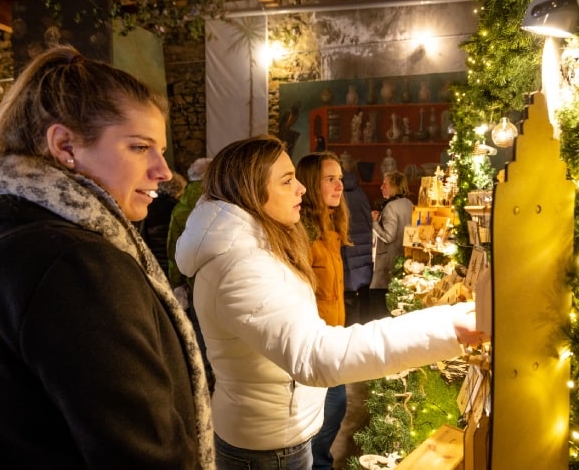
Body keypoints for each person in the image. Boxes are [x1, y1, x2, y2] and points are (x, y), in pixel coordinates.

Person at [174, 135, 487, 470]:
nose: (301, 189)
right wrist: (447, 326)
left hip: (278, 433)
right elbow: (316, 355)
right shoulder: (241, 266)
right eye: (287, 180)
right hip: (268, 448)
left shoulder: (259, 245)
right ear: (251, 191)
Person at [0, 46, 213, 469]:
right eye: (140, 148)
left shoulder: (2, 225)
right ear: (65, 145)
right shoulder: (75, 264)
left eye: (159, 149)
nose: (162, 170)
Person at [296, 152, 349, 469]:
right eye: (330, 178)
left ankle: (319, 462)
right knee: (331, 409)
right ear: (310, 185)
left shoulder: (331, 228)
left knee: (335, 408)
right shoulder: (303, 234)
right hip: (315, 345)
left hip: (335, 338)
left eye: (340, 177)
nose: (339, 185)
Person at [166, 156, 215, 392]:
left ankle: (204, 378)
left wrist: (176, 280)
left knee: (199, 330)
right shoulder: (216, 204)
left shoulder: (181, 207)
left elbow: (172, 247)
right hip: (216, 281)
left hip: (192, 282)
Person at [370, 170, 414, 319]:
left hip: (387, 265)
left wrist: (374, 223)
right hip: (404, 261)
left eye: (385, 184)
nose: (381, 187)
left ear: (394, 186)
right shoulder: (409, 204)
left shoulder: (390, 207)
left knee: (381, 311)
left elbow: (388, 237)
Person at [341, 168, 373, 325]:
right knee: (363, 300)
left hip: (347, 251)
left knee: (349, 302)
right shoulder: (360, 193)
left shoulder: (338, 195)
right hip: (364, 250)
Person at [141, 171, 187, 275]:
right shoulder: (179, 208)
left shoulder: (148, 207)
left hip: (155, 261)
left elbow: (143, 234)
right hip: (176, 261)